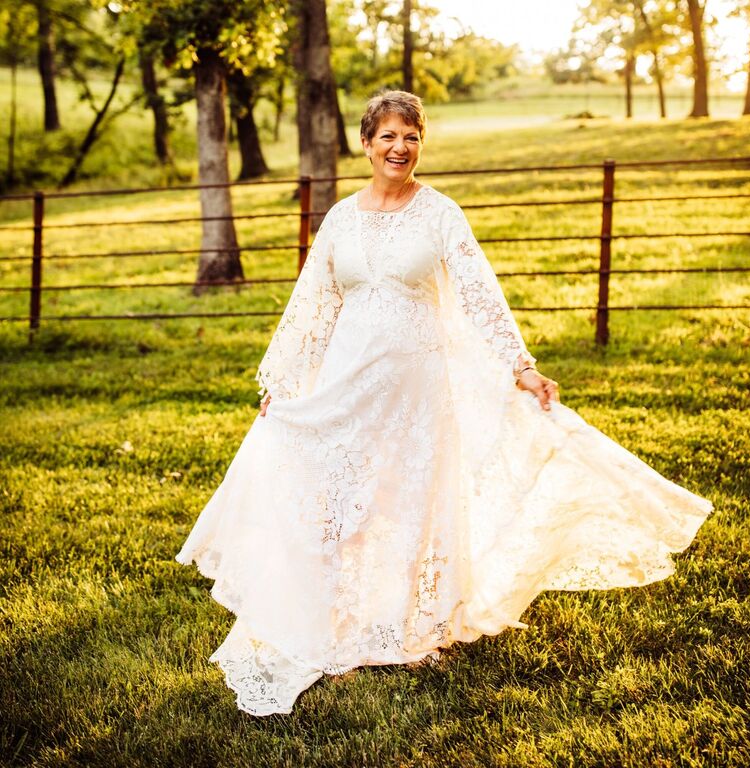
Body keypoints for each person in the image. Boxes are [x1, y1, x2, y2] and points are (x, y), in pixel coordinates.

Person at [176, 91, 712, 717]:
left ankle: (415, 629)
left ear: (420, 143)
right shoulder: (341, 220)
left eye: (410, 136)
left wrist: (522, 366)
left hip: (417, 390)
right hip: (348, 383)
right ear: (366, 143)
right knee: (345, 504)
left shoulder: (440, 214)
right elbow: (314, 308)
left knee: (412, 503)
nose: (399, 148)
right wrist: (284, 381)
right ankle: (342, 627)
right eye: (387, 137)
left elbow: (482, 293)